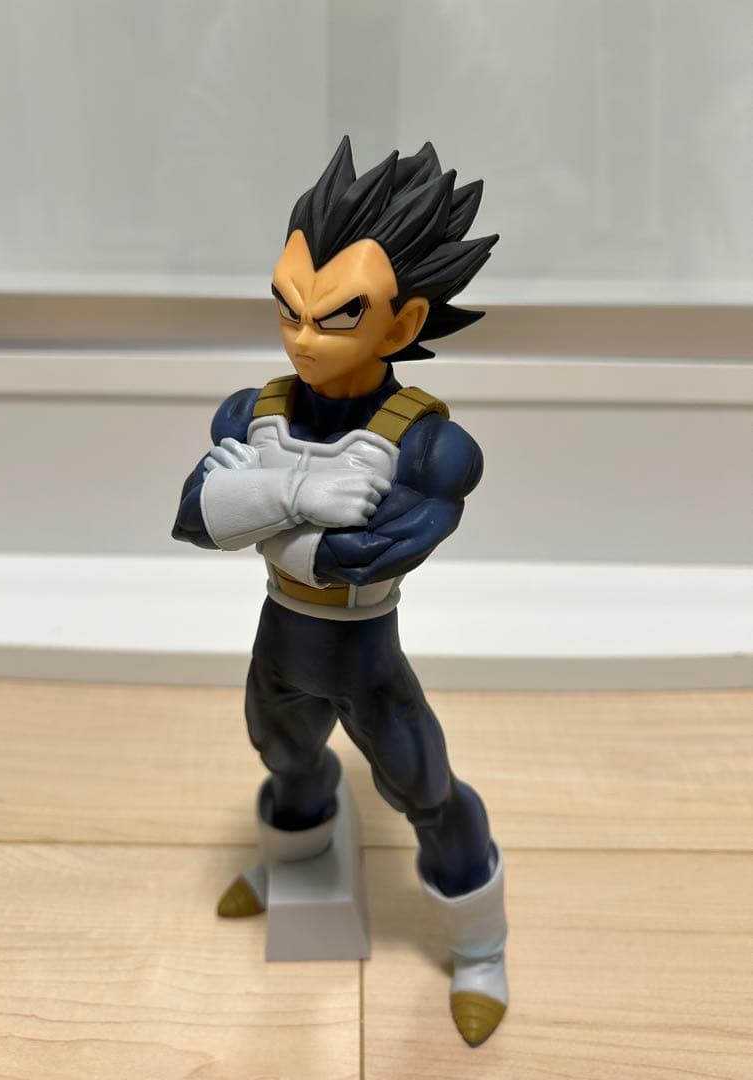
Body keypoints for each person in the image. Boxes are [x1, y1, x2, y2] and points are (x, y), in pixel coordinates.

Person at [172, 137, 507, 1047]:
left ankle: (480, 947)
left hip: (366, 659)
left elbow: (361, 557)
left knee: (425, 790)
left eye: (335, 317)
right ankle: (297, 862)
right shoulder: (251, 410)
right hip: (282, 643)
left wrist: (254, 501)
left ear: (402, 325)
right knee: (283, 759)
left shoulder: (429, 446)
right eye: (288, 308)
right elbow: (193, 517)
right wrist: (298, 494)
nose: (300, 338)